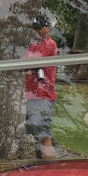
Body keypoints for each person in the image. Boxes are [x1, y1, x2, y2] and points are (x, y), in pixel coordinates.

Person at [24, 15, 58, 159]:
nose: (37, 31)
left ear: (48, 28)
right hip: (32, 94)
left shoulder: (50, 44)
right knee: (36, 132)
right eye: (35, 28)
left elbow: (35, 60)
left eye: (40, 28)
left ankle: (48, 165)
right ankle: (42, 162)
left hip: (44, 95)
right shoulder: (33, 46)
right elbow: (25, 62)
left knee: (44, 133)